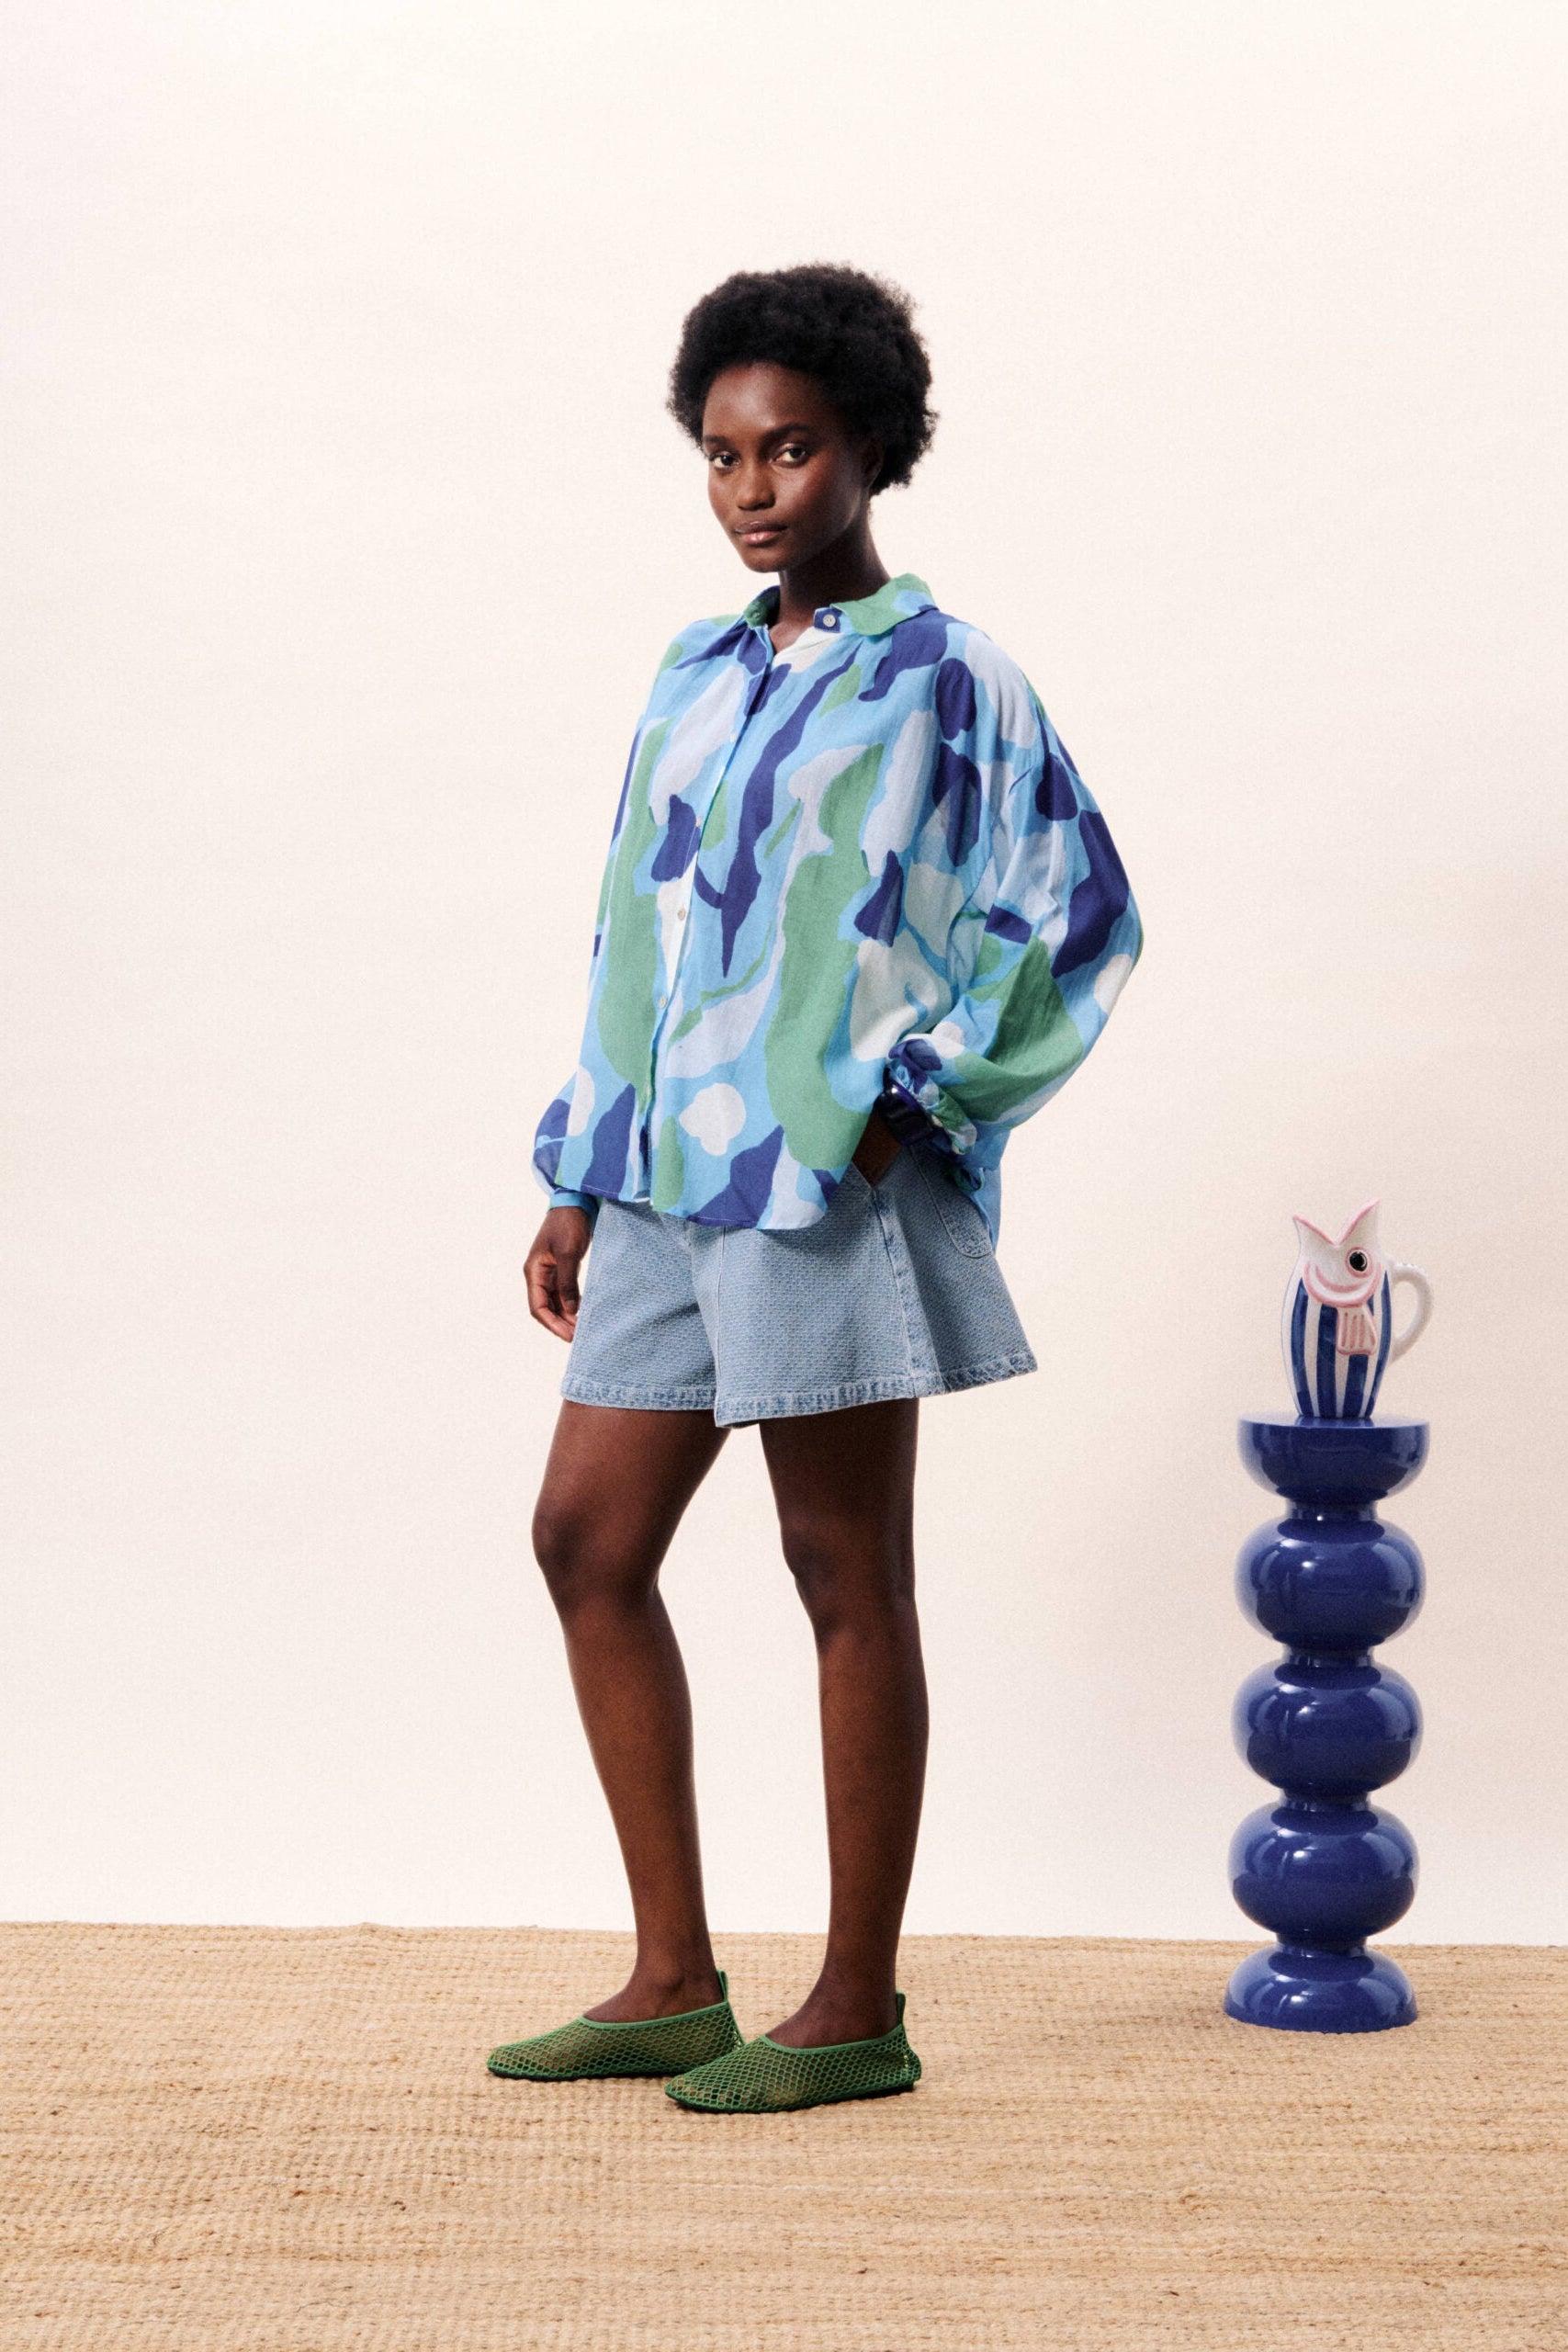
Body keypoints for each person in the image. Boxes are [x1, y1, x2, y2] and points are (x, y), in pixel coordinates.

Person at [486, 265, 1141, 2114]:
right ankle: (671, 1980)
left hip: (822, 1190)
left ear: (869, 445)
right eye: (722, 455)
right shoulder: (691, 673)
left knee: (840, 1568)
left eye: (787, 448)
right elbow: (635, 929)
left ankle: (853, 2006)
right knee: (583, 1539)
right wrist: (577, 1166)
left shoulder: (949, 674)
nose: (752, 487)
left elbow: (1080, 914)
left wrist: (907, 1103)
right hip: (657, 1183)